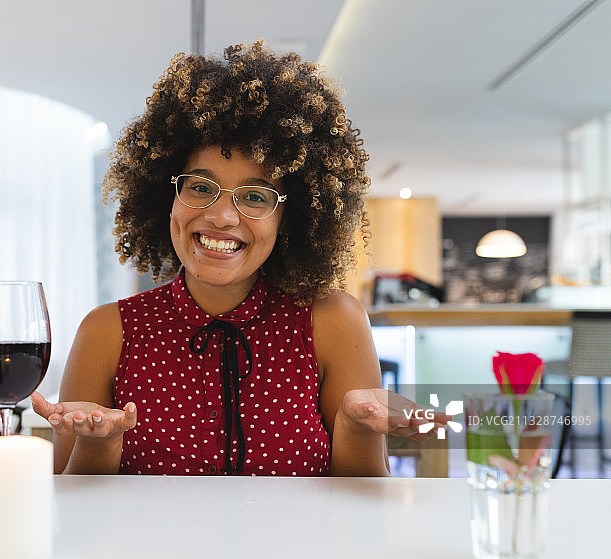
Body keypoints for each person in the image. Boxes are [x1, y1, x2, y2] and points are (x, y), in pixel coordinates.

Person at [32, 40, 447, 476]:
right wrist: (101, 446)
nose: (222, 216)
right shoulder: (107, 331)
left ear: (291, 216)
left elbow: (363, 507)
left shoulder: (332, 322)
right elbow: (67, 514)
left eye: (254, 196)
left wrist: (355, 428)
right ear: (167, 196)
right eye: (199, 187)